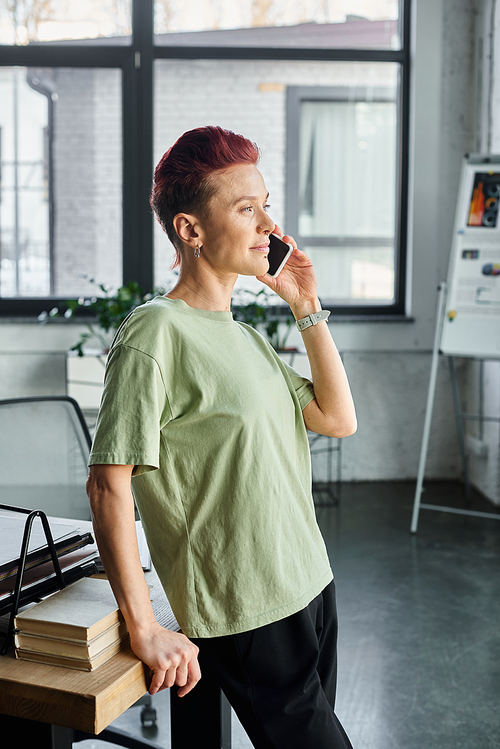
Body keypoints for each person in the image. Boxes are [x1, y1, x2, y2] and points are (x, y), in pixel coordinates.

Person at [87, 125, 357, 749]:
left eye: (266, 205)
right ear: (190, 229)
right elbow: (109, 484)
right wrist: (145, 624)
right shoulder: (155, 332)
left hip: (310, 583)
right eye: (246, 209)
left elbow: (336, 419)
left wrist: (306, 306)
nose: (268, 225)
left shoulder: (245, 336)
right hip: (244, 607)